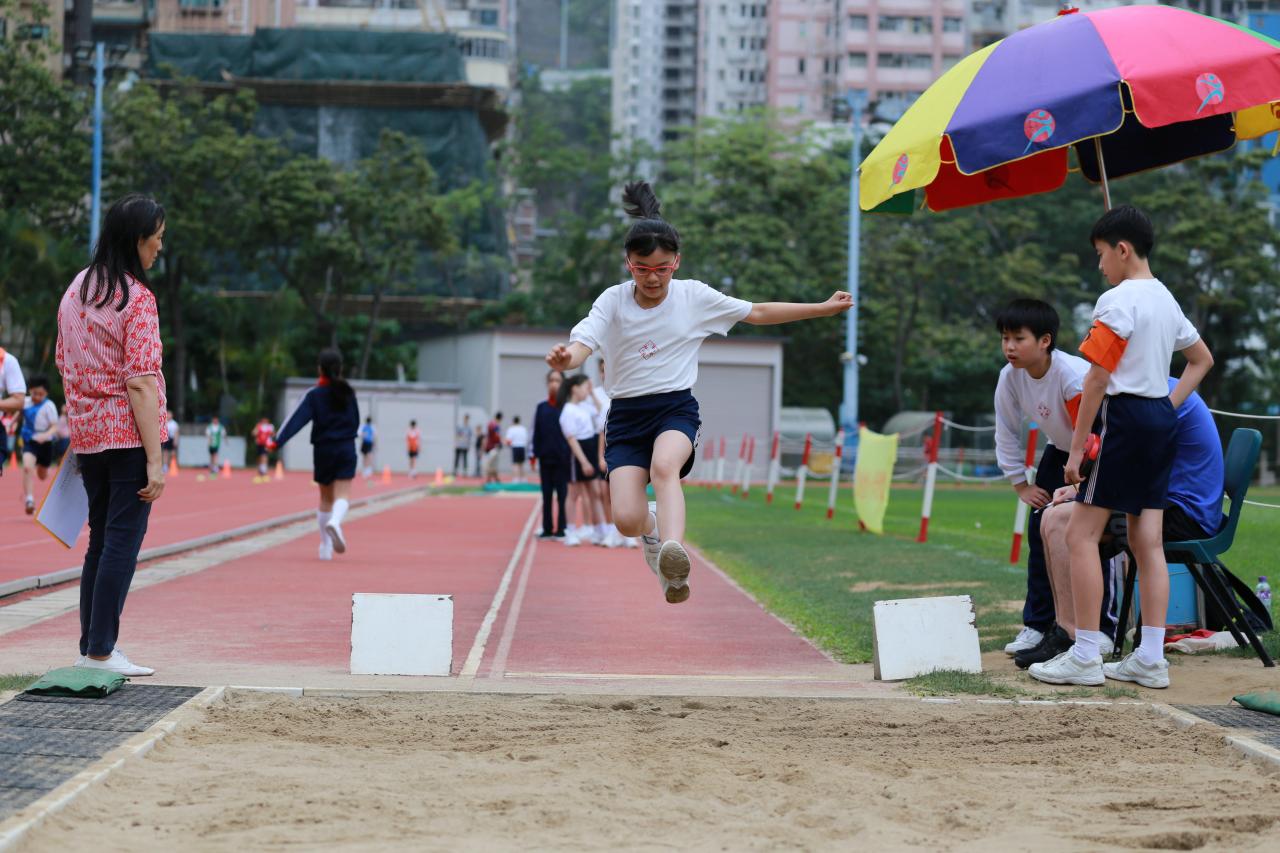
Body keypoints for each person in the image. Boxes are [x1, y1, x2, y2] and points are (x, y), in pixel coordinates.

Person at [546, 181, 852, 603]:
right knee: (627, 520)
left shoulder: (694, 296)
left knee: (664, 467)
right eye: (642, 269)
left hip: (674, 409)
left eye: (662, 268)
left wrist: (821, 308)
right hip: (626, 417)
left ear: (676, 261)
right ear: (628, 263)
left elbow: (757, 312)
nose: (653, 278)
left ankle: (673, 551)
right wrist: (567, 359)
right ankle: (653, 533)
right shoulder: (612, 302)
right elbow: (583, 344)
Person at [1030, 205, 1214, 690]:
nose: (1100, 265)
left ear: (1123, 250)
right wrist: (1168, 405)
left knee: (1080, 535)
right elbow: (1201, 360)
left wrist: (1075, 453)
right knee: (1147, 541)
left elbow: (1096, 379)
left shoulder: (1116, 301)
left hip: (1126, 419)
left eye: (1101, 254)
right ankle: (1150, 657)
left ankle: (1085, 654)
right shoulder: (1166, 299)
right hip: (1158, 420)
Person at [1022, 378, 1225, 670]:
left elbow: (1130, 469)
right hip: (1171, 504)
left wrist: (1081, 491)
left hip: (1184, 514)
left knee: (1061, 520)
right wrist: (1080, 491)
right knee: (1056, 515)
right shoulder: (1156, 390)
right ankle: (1066, 630)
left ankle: (1085, 638)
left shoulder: (1149, 398)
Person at [60, 193, 168, 677]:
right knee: (122, 544)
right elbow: (141, 381)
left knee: (100, 541)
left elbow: (63, 360)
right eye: (156, 239)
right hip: (126, 437)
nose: (159, 248)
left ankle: (92, 647)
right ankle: (102, 651)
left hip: (88, 436)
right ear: (137, 240)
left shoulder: (76, 289)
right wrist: (155, 460)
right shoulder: (136, 298)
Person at [992, 299, 1092, 656]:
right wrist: (1020, 483)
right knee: (1040, 532)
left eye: (1018, 339)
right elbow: (1005, 430)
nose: (1009, 347)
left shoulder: (1072, 375)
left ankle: (1098, 628)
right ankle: (1038, 624)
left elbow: (1096, 432)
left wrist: (1081, 482)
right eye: (1005, 338)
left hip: (1097, 453)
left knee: (1088, 535)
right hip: (1060, 451)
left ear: (1045, 341)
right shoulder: (1010, 376)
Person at [274, 349, 360, 560]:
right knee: (343, 494)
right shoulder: (348, 393)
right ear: (340, 368)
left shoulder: (314, 394)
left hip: (323, 449)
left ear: (320, 369)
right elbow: (356, 420)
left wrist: (276, 441)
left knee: (325, 498)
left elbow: (296, 420)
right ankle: (336, 522)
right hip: (346, 447)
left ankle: (325, 547)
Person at [558, 375, 602, 545]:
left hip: (590, 446)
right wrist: (583, 462)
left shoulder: (584, 406)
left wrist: (592, 393)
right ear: (574, 389)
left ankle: (600, 530)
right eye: (584, 387)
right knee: (574, 493)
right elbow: (571, 439)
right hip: (577, 452)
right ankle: (569, 531)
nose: (587, 390)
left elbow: (600, 410)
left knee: (595, 492)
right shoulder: (568, 410)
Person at [530, 369, 570, 539]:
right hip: (545, 458)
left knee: (562, 495)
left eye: (557, 381)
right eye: (551, 380)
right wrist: (533, 455)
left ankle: (562, 528)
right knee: (546, 495)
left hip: (563, 459)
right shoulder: (541, 408)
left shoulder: (568, 408)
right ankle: (547, 528)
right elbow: (535, 432)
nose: (554, 384)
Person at [19, 375, 59, 515]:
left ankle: (42, 468)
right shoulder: (25, 402)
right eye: (35, 393)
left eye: (41, 394)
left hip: (45, 443)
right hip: (30, 440)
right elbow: (18, 415)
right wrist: (11, 424)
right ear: (30, 390)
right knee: (27, 467)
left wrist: (45, 435)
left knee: (42, 476)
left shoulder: (49, 406)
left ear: (46, 393)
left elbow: (54, 427)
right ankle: (29, 500)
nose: (37, 397)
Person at [505, 415, 529, 483]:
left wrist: (508, 445)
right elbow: (526, 438)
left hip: (515, 447)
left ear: (513, 421)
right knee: (521, 464)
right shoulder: (523, 429)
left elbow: (508, 440)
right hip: (522, 447)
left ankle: (516, 479)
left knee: (515, 464)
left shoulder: (511, 429)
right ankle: (523, 478)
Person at [483, 412, 503, 484]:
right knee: (491, 464)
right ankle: (492, 479)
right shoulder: (495, 425)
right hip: (493, 447)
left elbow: (488, 436)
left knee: (492, 464)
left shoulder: (491, 424)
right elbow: (496, 436)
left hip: (491, 446)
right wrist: (500, 442)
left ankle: (494, 479)